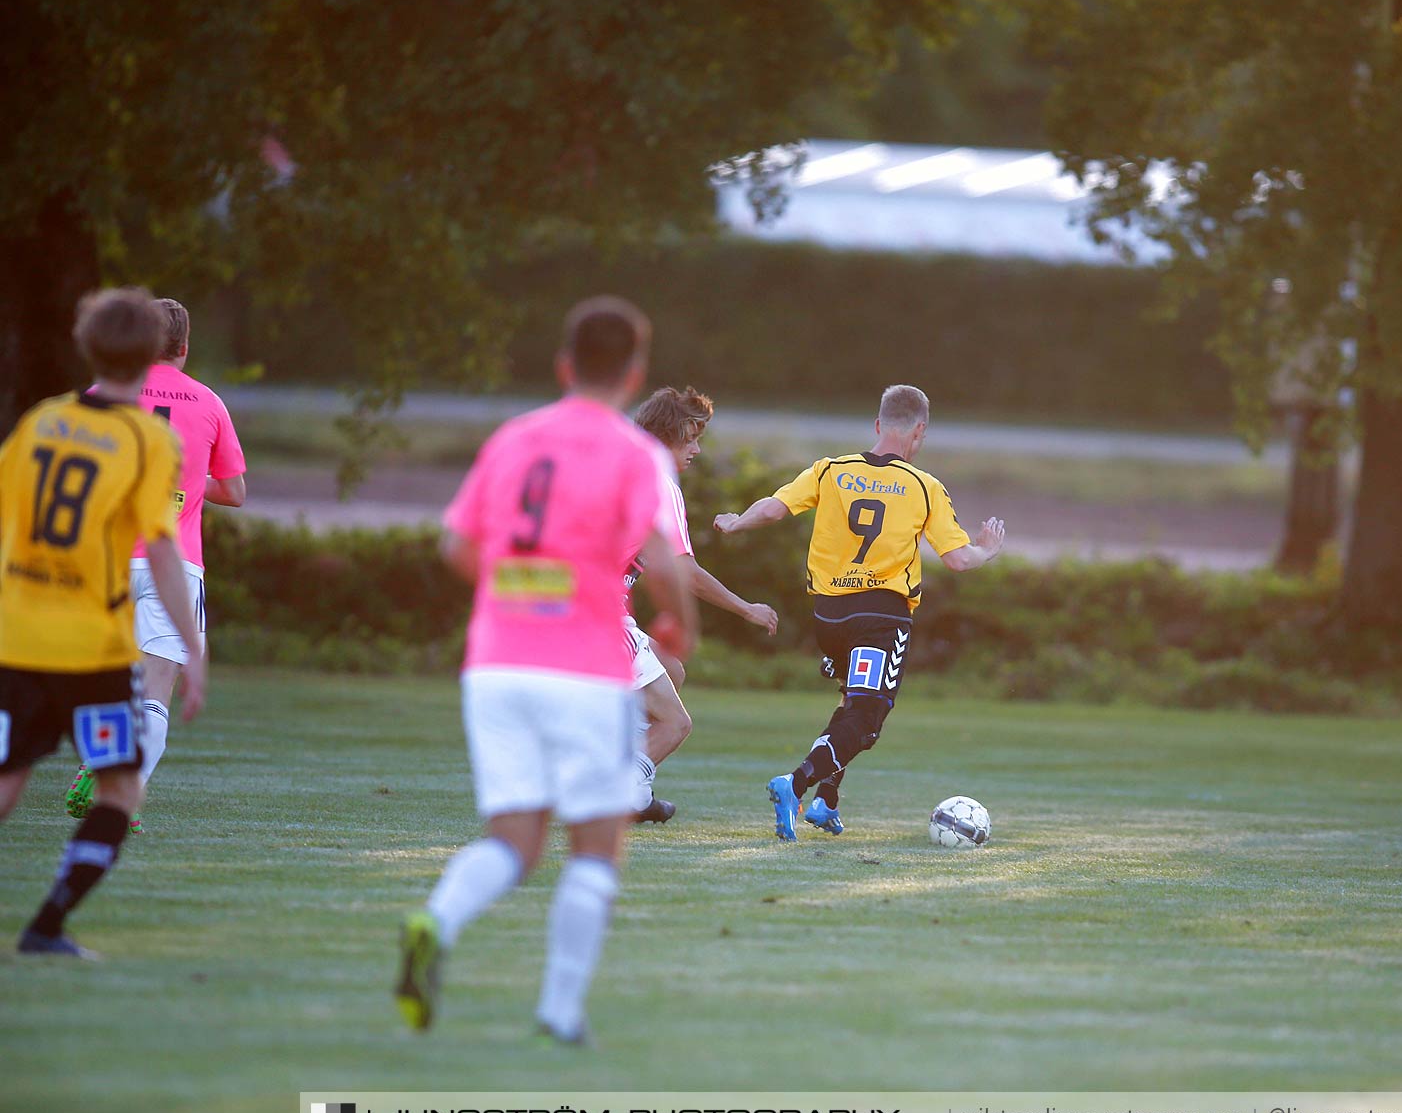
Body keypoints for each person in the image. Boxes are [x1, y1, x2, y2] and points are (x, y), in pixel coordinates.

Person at [394, 295, 697, 1045]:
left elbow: (457, 547)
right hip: (584, 669)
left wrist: (521, 592)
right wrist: (679, 628)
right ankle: (560, 1013)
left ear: (564, 365)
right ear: (635, 374)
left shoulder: (515, 437)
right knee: (596, 846)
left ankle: (436, 921)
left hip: (495, 666)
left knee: (513, 841)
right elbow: (661, 559)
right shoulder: (637, 456)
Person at [0, 288, 208, 958]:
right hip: (93, 652)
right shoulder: (147, 440)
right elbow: (166, 550)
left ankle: (47, 929)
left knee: (8, 779)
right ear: (155, 353)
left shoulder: (43, 421)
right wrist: (194, 648)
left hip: (20, 636)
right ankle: (49, 923)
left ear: (86, 347)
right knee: (119, 787)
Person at [713, 384, 1004, 840]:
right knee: (866, 721)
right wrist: (986, 550)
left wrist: (736, 522)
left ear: (877, 425)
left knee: (852, 705)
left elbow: (774, 508)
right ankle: (796, 784)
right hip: (880, 620)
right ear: (919, 431)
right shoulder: (923, 487)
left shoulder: (831, 470)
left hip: (829, 619)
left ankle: (826, 802)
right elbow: (958, 559)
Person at [64, 297, 246, 833]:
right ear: (185, 348)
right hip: (176, 564)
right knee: (155, 691)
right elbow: (234, 491)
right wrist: (187, 486)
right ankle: (122, 790)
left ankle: (101, 763)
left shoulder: (103, 397)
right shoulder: (208, 402)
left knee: (101, 680)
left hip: (106, 558)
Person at [623, 386, 778, 823]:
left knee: (670, 670)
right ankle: (623, 790)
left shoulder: (619, 468)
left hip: (575, 606)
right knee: (676, 724)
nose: (696, 450)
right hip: (600, 613)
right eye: (690, 438)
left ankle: (631, 783)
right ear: (668, 433)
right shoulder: (659, 483)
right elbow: (682, 571)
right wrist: (746, 608)